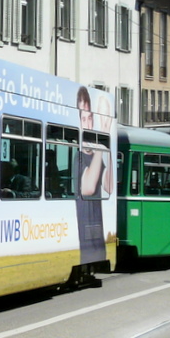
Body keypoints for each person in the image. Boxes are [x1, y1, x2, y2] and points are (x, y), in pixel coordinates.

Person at [76, 86, 112, 263]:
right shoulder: (78, 156)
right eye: (84, 119)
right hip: (85, 241)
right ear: (79, 122)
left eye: (90, 118)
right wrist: (102, 139)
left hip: (97, 238)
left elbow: (109, 186)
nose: (88, 124)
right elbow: (88, 188)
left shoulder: (96, 156)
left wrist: (107, 146)